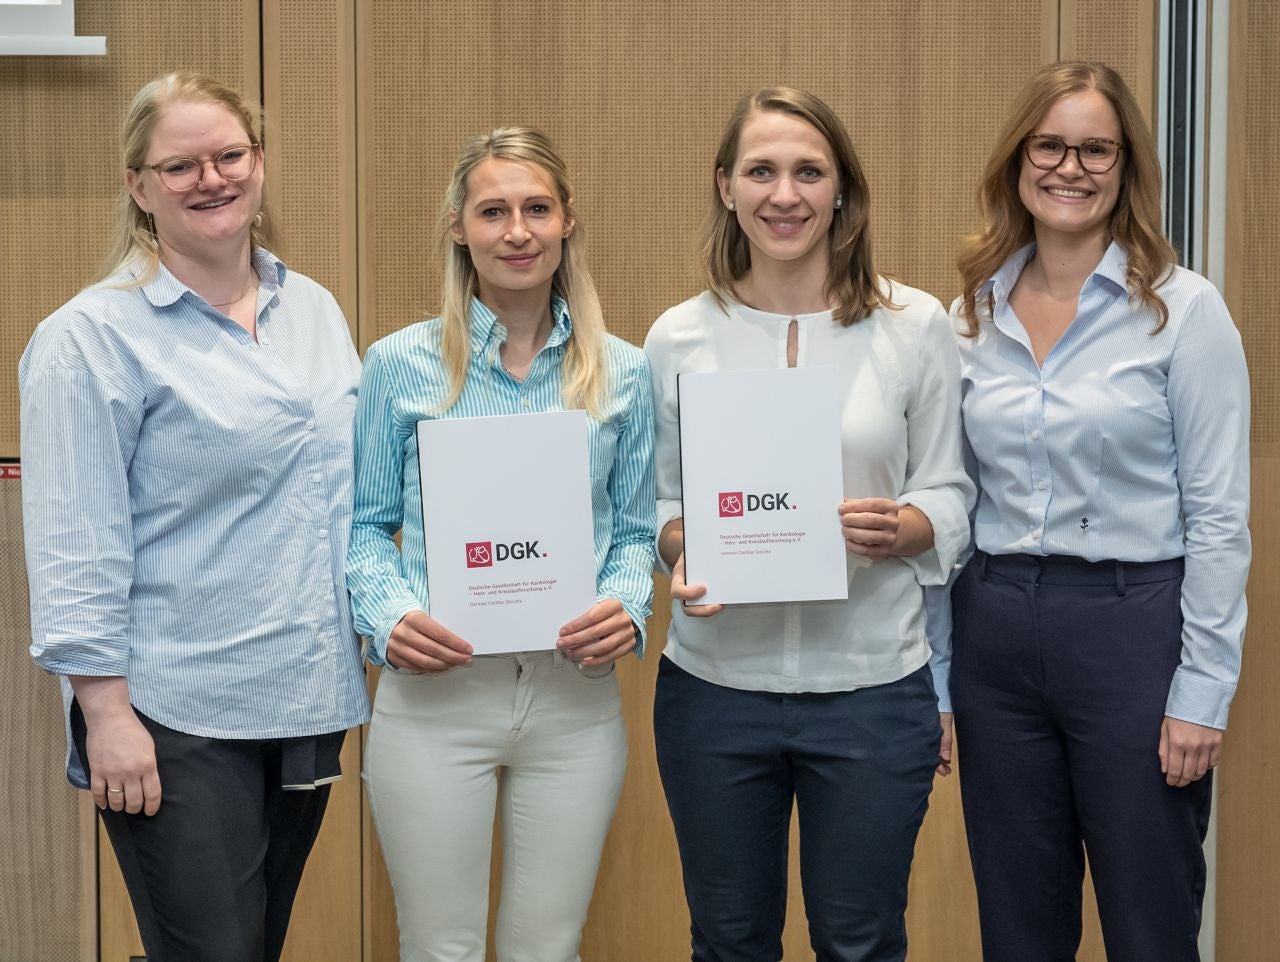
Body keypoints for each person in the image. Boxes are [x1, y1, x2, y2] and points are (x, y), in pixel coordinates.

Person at [19, 71, 370, 962]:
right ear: (139, 187)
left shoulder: (313, 309)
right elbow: (73, 544)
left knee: (251, 947)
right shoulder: (89, 338)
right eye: (180, 166)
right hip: (172, 710)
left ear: (260, 162)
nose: (211, 179)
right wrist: (105, 713)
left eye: (229, 156)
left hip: (303, 692)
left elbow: (344, 495)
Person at [643, 87, 972, 962]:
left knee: (861, 942)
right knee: (728, 942)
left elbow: (952, 493)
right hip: (714, 693)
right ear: (726, 186)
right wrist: (685, 549)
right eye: (761, 171)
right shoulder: (678, 337)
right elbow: (662, 508)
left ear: (841, 190)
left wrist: (903, 527)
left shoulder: (914, 325)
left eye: (808, 172)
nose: (784, 194)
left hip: (873, 690)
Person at [934, 60, 1250, 961]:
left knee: (1150, 926)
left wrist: (1203, 694)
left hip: (1132, 634)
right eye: (1049, 146)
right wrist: (938, 676)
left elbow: (1219, 519)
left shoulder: (1184, 312)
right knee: (1019, 930)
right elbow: (952, 510)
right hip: (995, 635)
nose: (1069, 168)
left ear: (1126, 166)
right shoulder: (971, 314)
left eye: (1095, 150)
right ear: (1017, 161)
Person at [347, 126, 655, 962]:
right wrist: (389, 618)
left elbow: (634, 535)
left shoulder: (623, 372)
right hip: (435, 698)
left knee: (547, 948)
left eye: (536, 209)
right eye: (493, 211)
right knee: (437, 948)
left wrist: (625, 605)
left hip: (573, 701)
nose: (517, 231)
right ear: (459, 226)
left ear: (567, 221)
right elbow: (366, 528)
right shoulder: (397, 364)